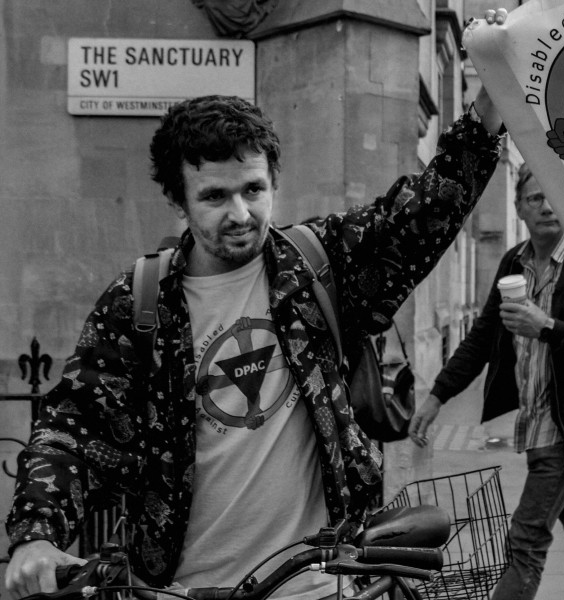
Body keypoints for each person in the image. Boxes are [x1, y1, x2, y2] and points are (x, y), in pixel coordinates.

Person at [5, 83, 505, 600]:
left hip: (315, 583)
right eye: (215, 196)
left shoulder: (319, 263)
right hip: (179, 591)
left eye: (253, 190)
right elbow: (71, 431)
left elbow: (421, 215)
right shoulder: (137, 305)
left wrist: (487, 109)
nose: (241, 214)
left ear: (273, 183)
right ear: (178, 200)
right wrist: (35, 537)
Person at [409, 164, 564, 600]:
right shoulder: (513, 263)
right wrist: (437, 396)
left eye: (552, 195)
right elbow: (482, 336)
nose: (545, 206)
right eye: (533, 198)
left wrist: (549, 327)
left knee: (525, 541)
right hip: (537, 422)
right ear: (518, 207)